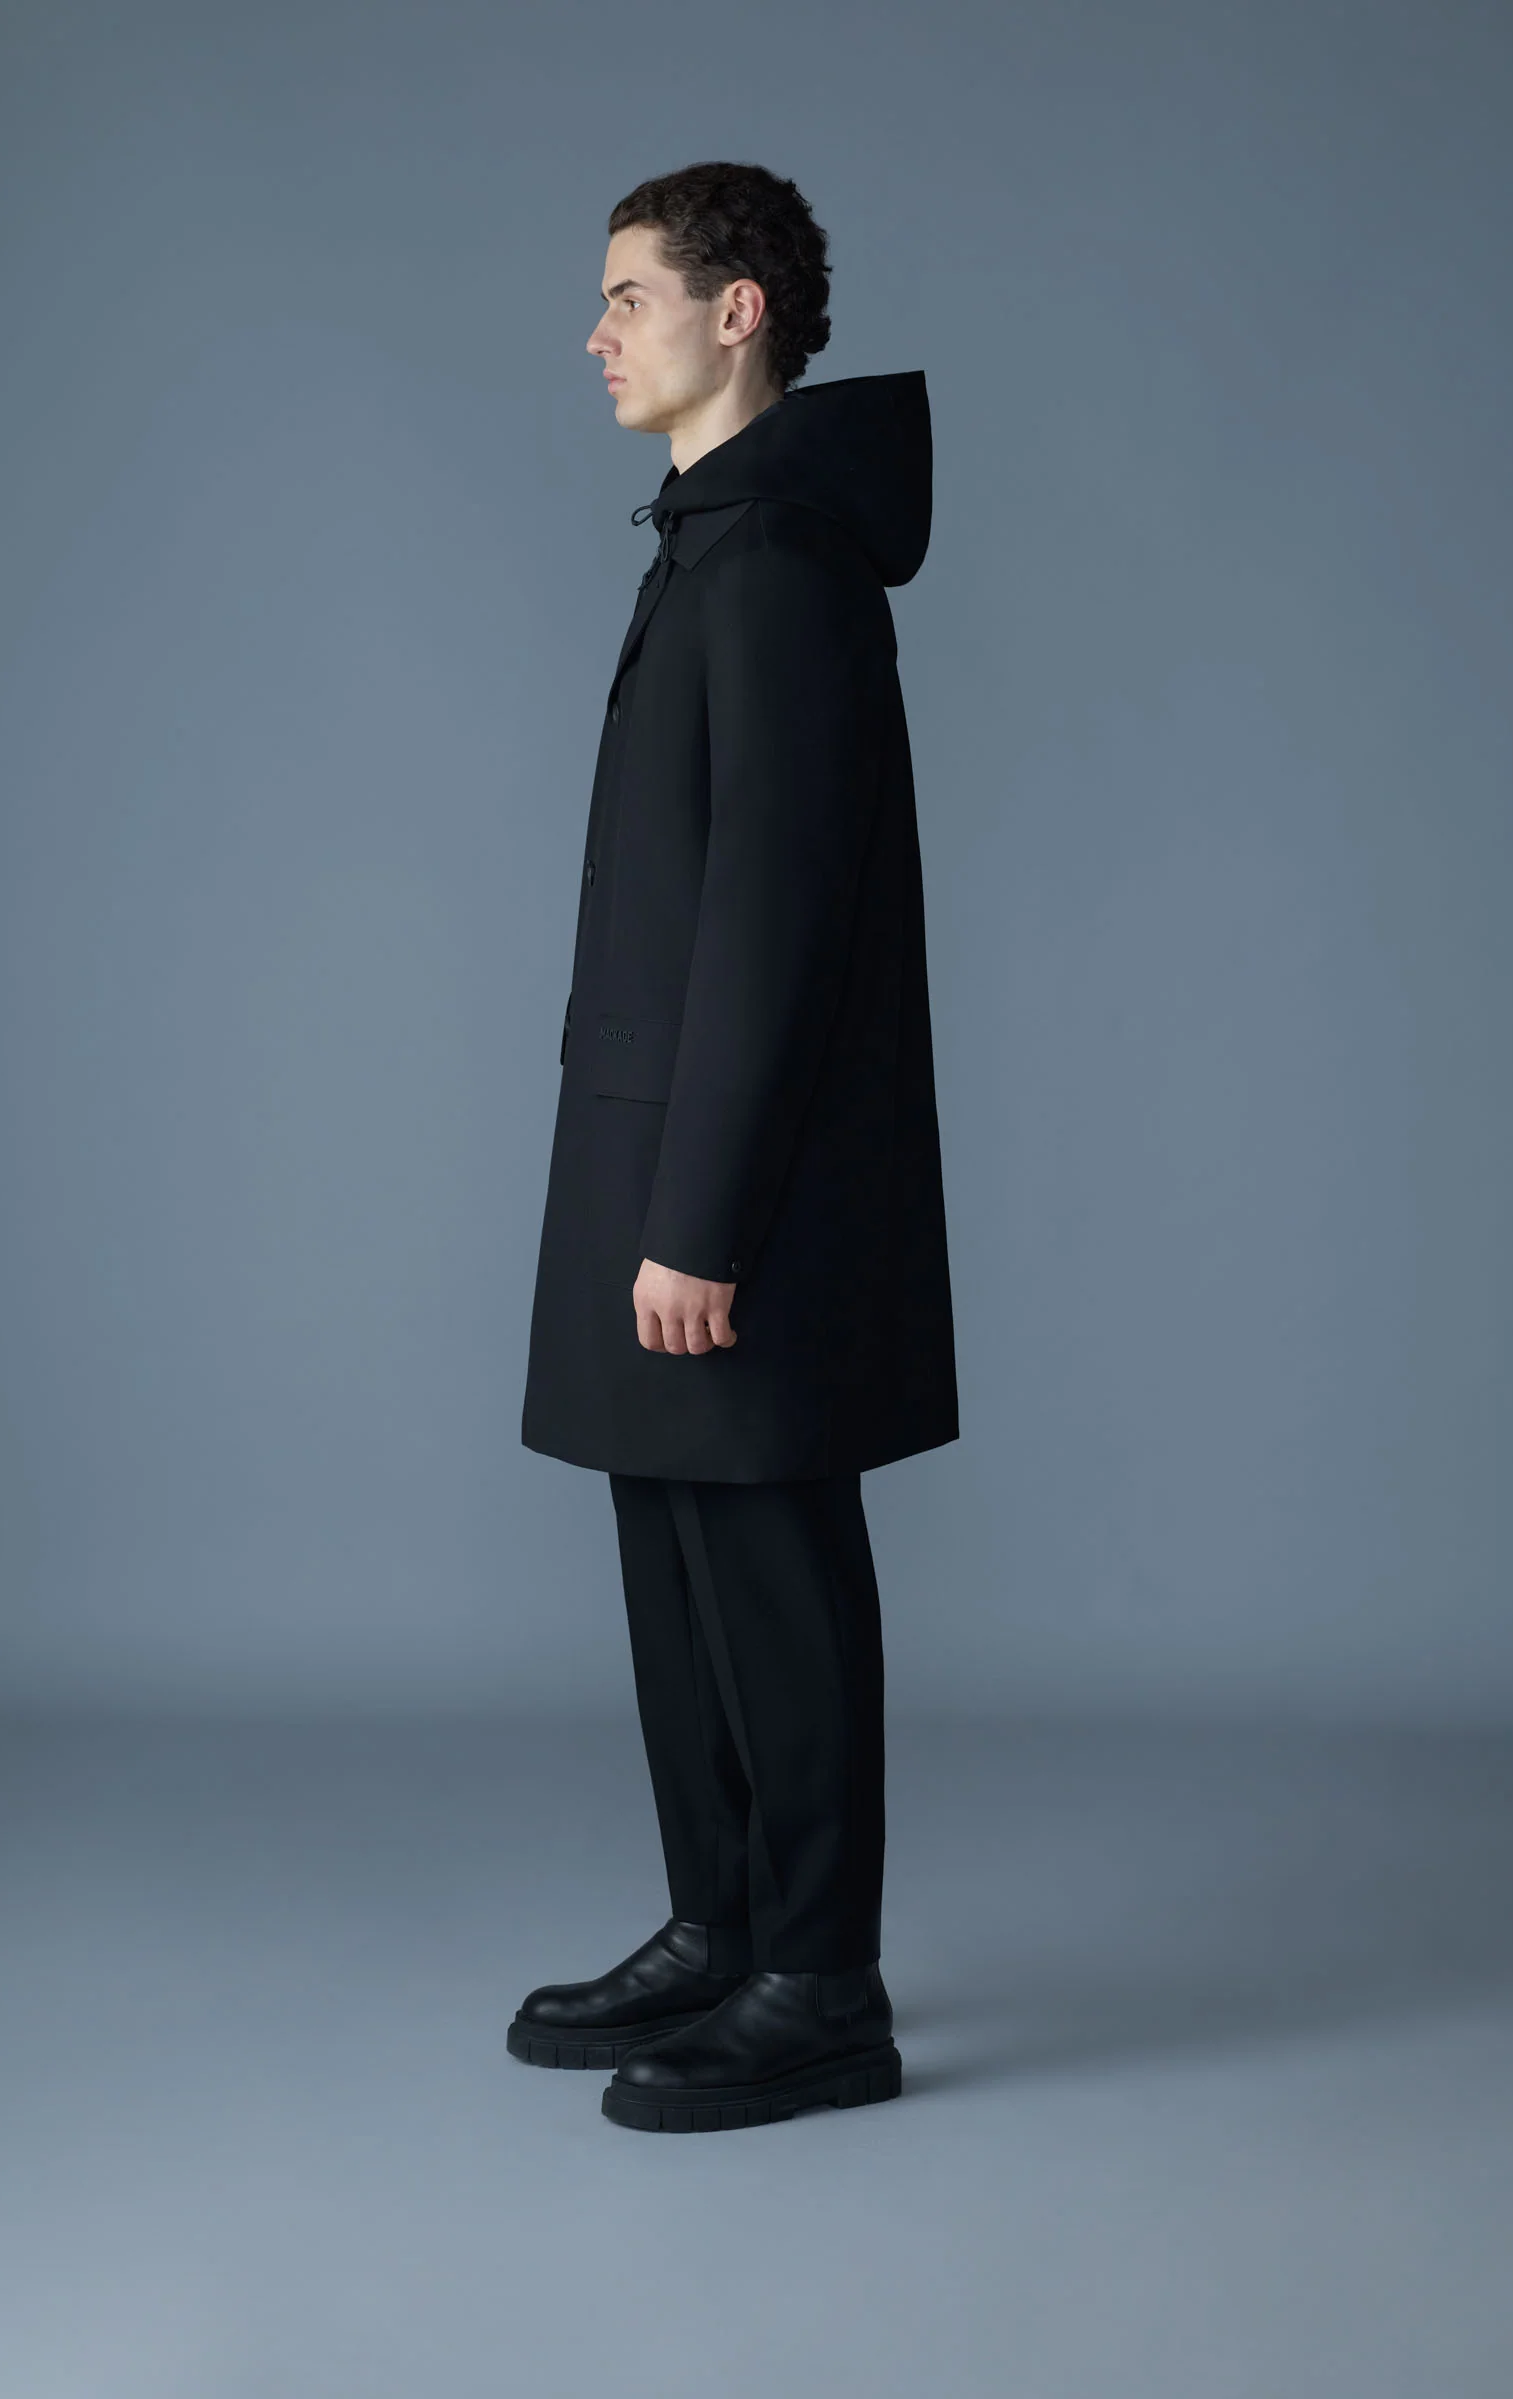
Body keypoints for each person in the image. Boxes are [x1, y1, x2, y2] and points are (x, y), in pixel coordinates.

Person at [508, 160, 958, 2134]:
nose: (597, 333)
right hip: (657, 1159)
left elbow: (770, 925)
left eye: (628, 296)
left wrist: (696, 1222)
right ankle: (720, 1926)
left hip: (728, 1190)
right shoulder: (709, 546)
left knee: (766, 1559)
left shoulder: (778, 566)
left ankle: (820, 1980)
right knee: (674, 1551)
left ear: (737, 308)